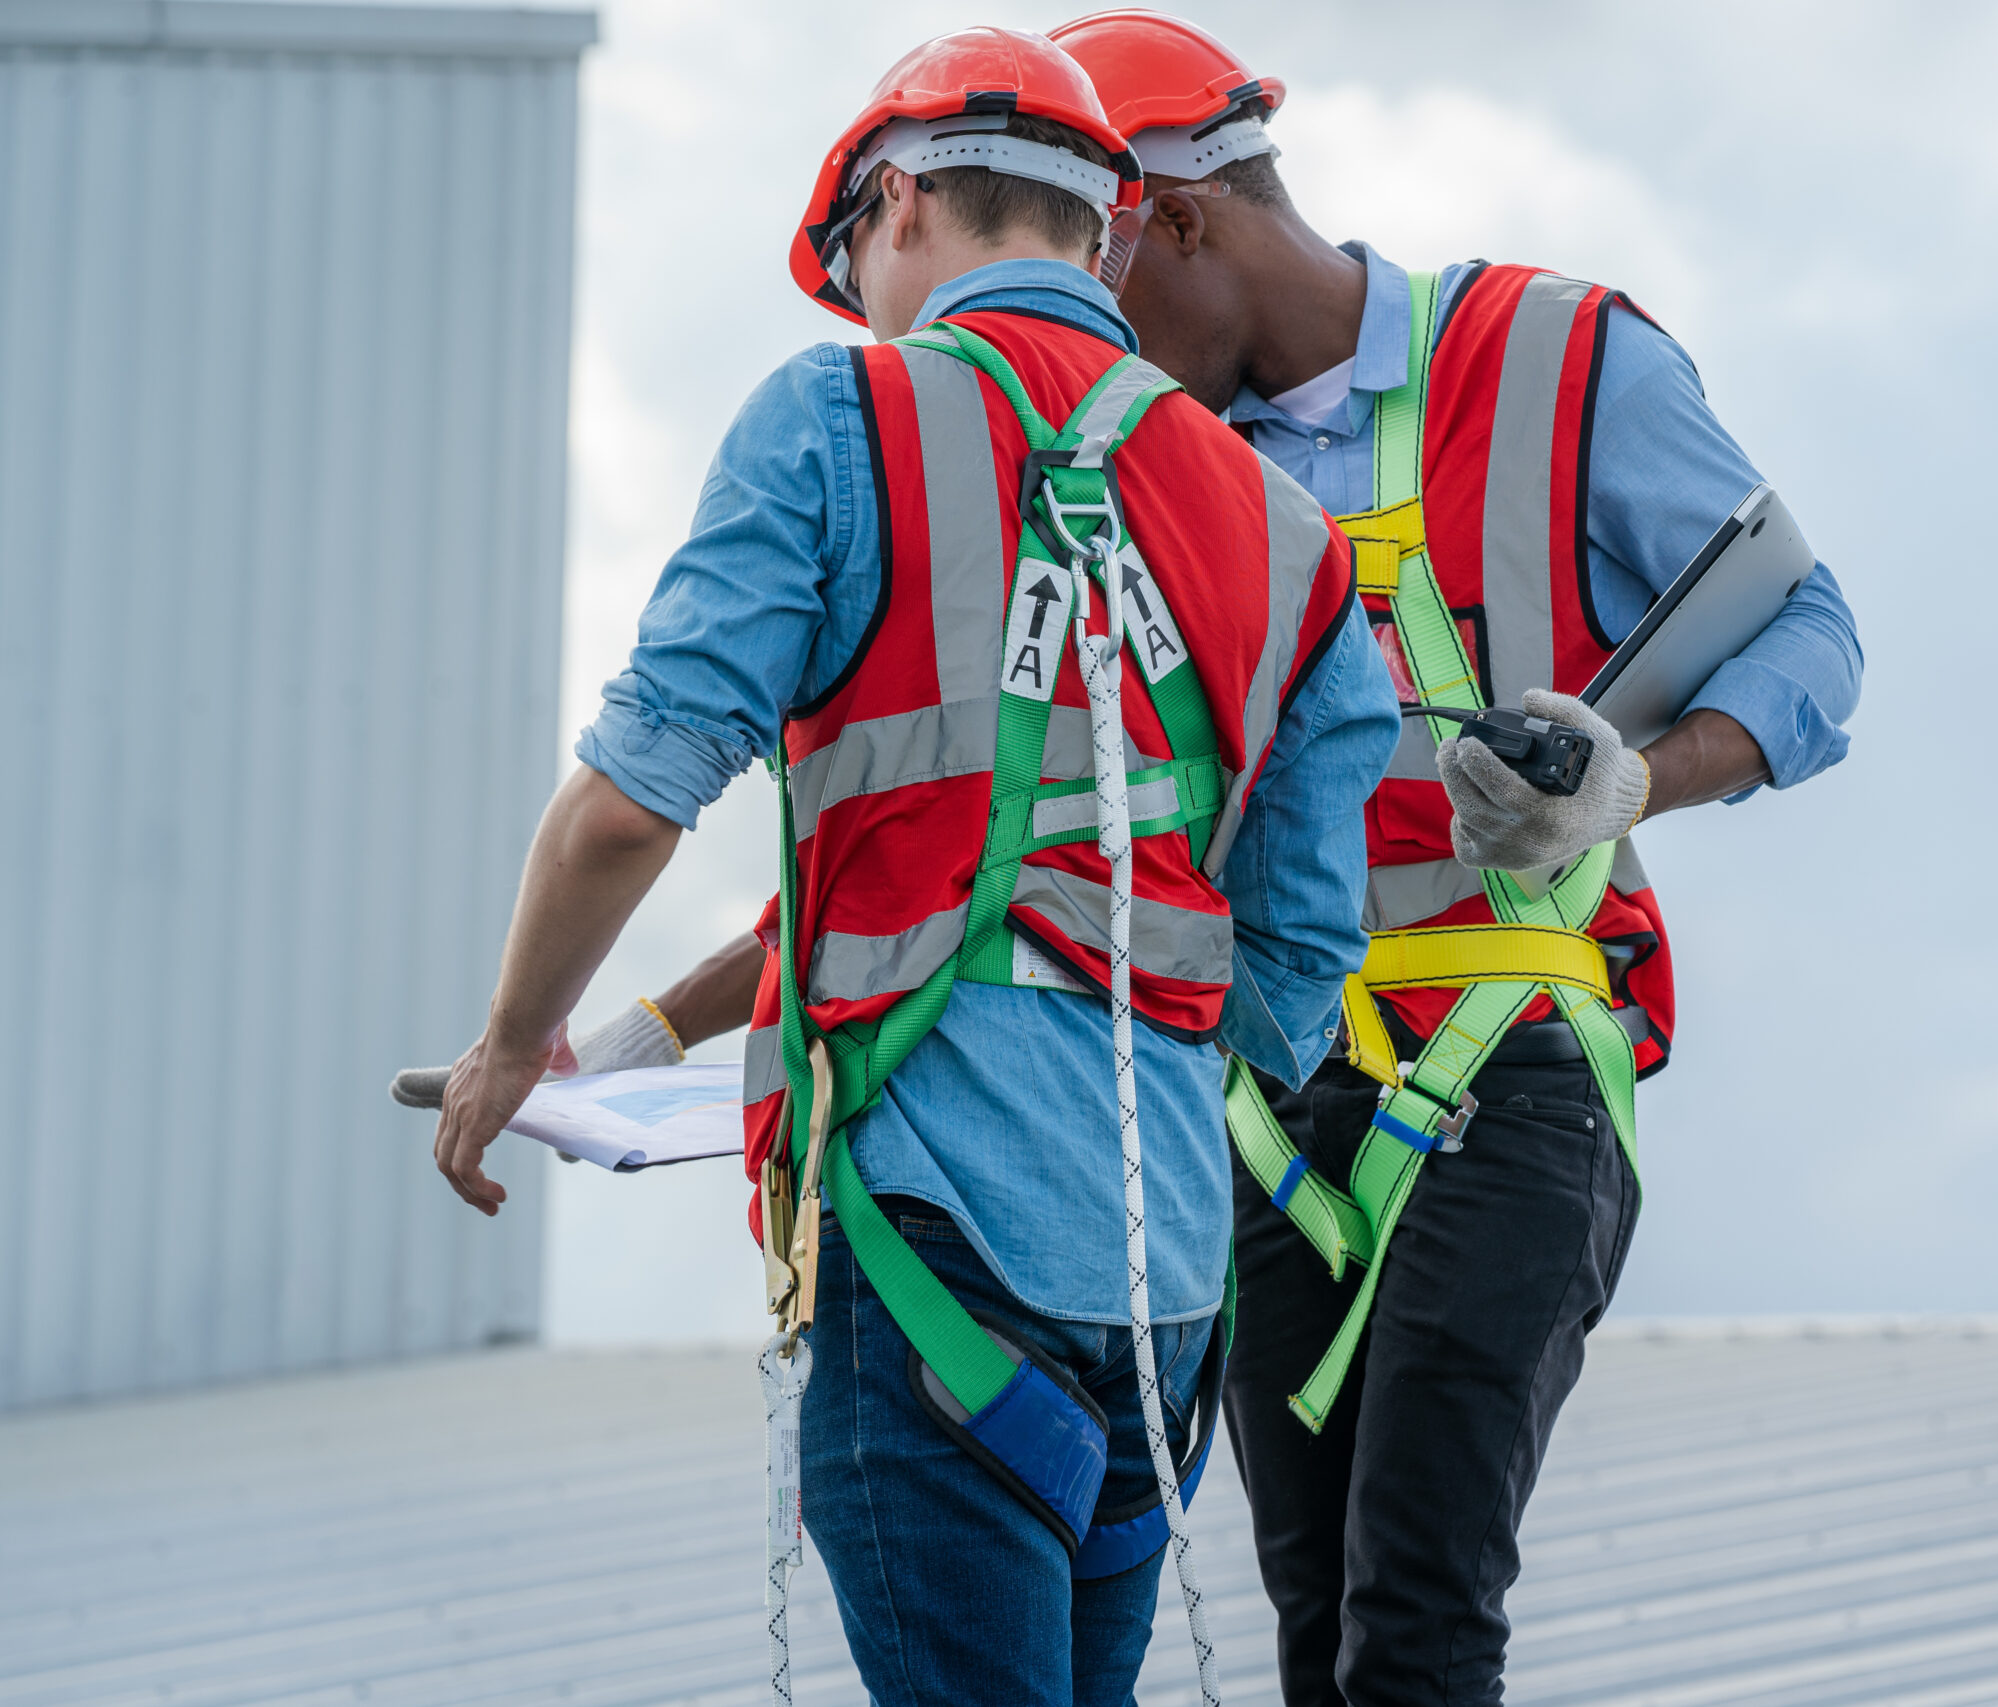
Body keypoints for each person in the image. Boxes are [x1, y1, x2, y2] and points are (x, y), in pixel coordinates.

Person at [424, 26, 1398, 1706]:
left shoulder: (838, 414)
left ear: (894, 206)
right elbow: (1303, 944)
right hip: (1163, 1301)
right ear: (1103, 233)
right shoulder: (1282, 526)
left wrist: (516, 1045)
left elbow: (629, 799)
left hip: (936, 1242)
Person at [1045, 13, 1867, 1704]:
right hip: (1271, 1108)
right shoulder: (1144, 475)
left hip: (1513, 1067)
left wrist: (1632, 782)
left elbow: (1810, 633)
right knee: (1318, 1630)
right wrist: (656, 1030)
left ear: (1176, 222)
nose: (1085, 359)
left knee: (1415, 1613)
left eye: (1092, 292)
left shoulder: (1560, 359)